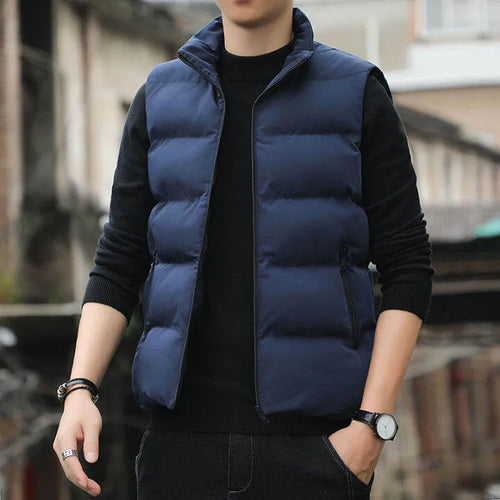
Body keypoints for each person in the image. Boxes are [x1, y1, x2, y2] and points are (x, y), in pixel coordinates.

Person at [52, 1, 435, 498]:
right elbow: (119, 260)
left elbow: (408, 265)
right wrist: (80, 389)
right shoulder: (160, 96)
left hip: (316, 448)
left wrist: (371, 426)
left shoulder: (355, 92)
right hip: (179, 449)